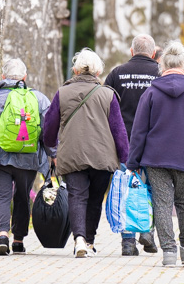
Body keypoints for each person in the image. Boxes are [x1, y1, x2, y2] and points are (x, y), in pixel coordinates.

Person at [127, 41, 184, 267]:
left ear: (162, 65)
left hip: (155, 158)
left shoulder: (150, 93)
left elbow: (139, 131)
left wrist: (133, 161)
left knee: (162, 203)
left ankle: (168, 251)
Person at [42, 48, 128, 258]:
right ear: (98, 72)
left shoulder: (62, 93)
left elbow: (49, 127)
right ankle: (89, 241)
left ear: (75, 70)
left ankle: (79, 239)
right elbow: (119, 130)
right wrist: (125, 158)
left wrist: (51, 147)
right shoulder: (108, 95)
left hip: (72, 153)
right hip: (103, 156)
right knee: (95, 199)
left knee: (77, 196)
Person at [0, 58, 53, 256]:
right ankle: (18, 240)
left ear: (3, 77)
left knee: (1, 196)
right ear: (24, 77)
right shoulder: (38, 98)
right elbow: (48, 133)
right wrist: (53, 156)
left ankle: (2, 236)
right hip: (28, 158)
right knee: (23, 197)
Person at [104, 34, 160, 256]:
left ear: (131, 51)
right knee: (155, 188)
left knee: (125, 190)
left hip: (124, 142)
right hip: (154, 142)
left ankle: (128, 243)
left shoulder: (117, 74)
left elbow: (106, 106)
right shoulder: (159, 73)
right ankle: (148, 231)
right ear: (154, 53)